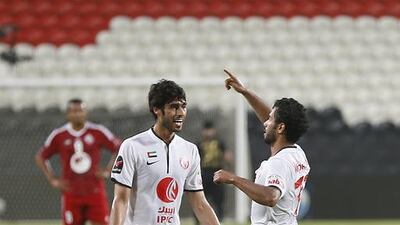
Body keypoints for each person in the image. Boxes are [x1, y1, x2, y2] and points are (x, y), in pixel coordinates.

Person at [109, 79, 220, 225]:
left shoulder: (190, 150)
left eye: (183, 106)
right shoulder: (132, 146)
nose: (181, 113)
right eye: (174, 107)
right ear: (156, 109)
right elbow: (120, 200)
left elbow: (199, 204)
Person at [214, 70, 310, 225]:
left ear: (280, 128)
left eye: (270, 119)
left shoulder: (280, 162)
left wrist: (233, 178)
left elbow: (271, 196)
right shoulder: (297, 153)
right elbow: (272, 120)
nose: (265, 122)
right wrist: (245, 92)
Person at [35, 98, 121, 225]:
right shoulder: (59, 135)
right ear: (68, 114)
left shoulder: (97, 131)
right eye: (74, 111)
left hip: (95, 191)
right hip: (71, 192)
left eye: (81, 110)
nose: (77, 114)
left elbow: (120, 148)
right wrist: (52, 179)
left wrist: (109, 170)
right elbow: (41, 157)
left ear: (86, 113)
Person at [196, 120, 233, 222]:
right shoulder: (199, 144)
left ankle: (219, 220)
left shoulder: (220, 143)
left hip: (217, 173)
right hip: (203, 174)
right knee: (200, 199)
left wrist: (229, 168)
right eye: (206, 130)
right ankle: (199, 220)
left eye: (210, 130)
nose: (208, 133)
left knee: (219, 200)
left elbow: (227, 156)